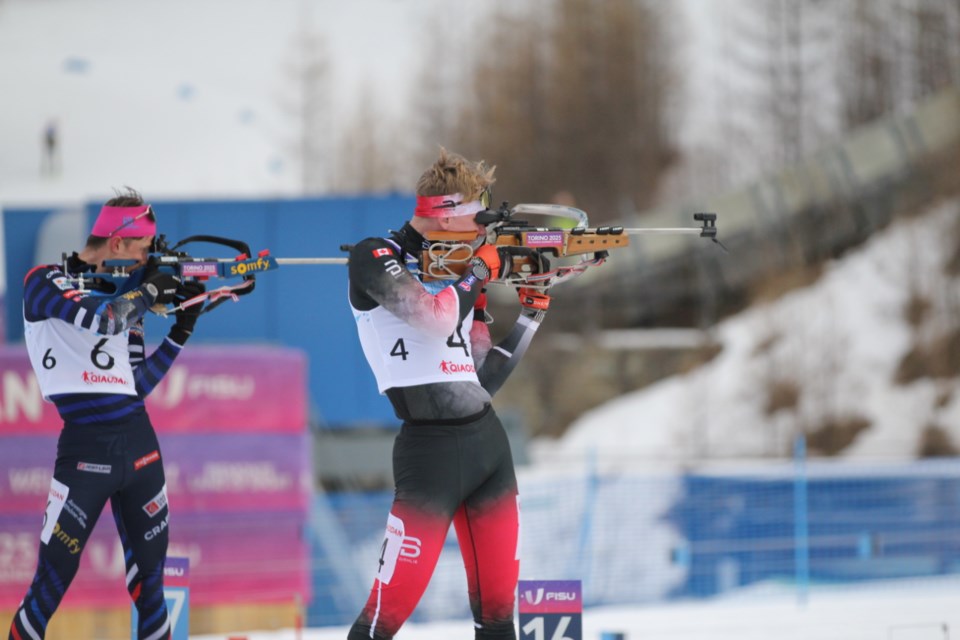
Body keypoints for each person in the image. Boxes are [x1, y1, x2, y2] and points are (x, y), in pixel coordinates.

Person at [346, 148, 551, 640]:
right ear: (448, 215)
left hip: (488, 449)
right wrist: (478, 272)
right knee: (382, 620)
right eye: (476, 221)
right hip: (430, 457)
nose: (483, 235)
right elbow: (435, 320)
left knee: (500, 620)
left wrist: (532, 313)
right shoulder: (374, 256)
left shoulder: (454, 278)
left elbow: (479, 383)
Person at [8, 188, 204, 640]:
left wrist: (180, 329)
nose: (144, 262)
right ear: (116, 244)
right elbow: (105, 320)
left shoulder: (127, 294)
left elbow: (133, 386)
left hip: (139, 447)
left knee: (151, 588)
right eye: (141, 251)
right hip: (85, 451)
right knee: (50, 586)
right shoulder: (45, 280)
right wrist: (150, 288)